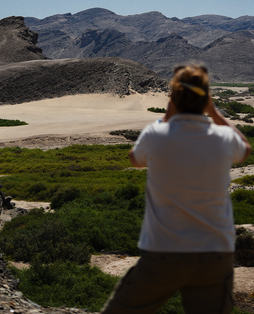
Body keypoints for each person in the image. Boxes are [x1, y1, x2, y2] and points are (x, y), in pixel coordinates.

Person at [101, 64, 251, 314]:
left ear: (173, 98)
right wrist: (214, 112)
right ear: (206, 100)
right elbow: (245, 149)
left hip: (164, 250)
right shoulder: (223, 137)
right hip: (215, 252)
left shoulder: (156, 134)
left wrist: (165, 117)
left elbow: (134, 159)